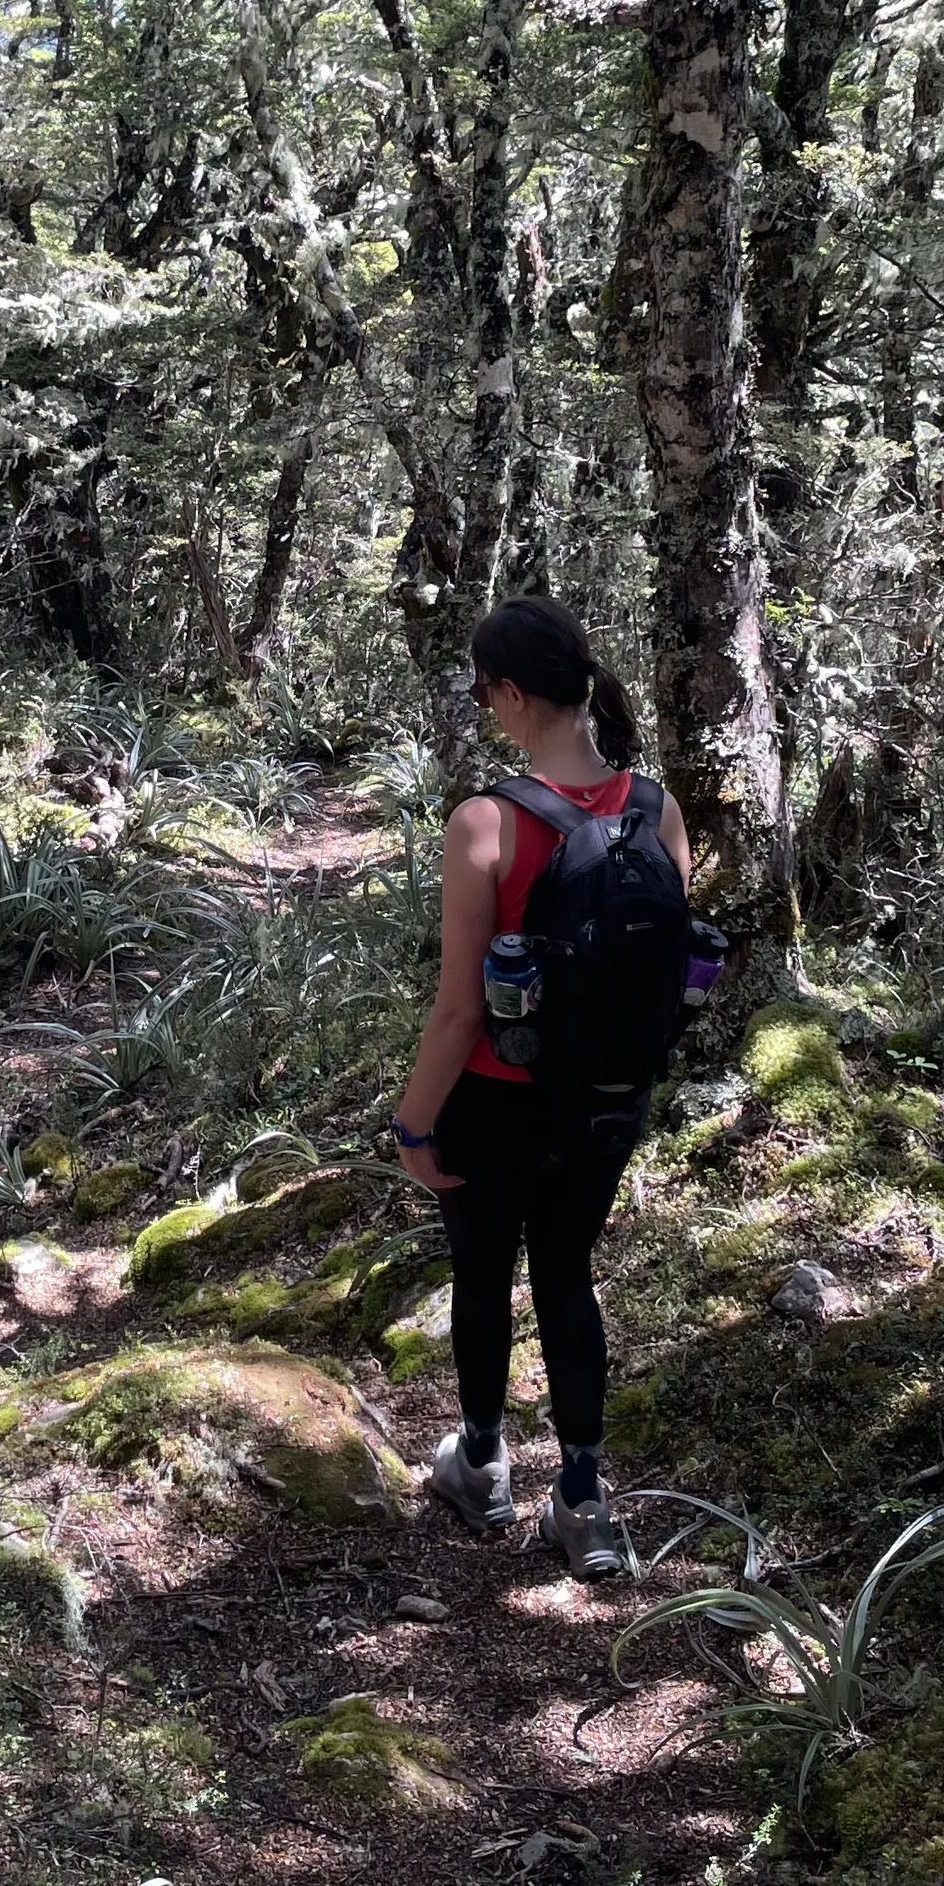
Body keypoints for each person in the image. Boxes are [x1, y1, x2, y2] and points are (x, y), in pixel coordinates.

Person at [388, 597, 692, 1579]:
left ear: (512, 693)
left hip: (494, 1097)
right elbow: (674, 974)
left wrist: (410, 1121)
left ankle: (480, 1462)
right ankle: (583, 1499)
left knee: (482, 1272)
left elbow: (458, 1010)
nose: (484, 702)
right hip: (604, 1096)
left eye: (484, 688)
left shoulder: (486, 821)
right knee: (566, 1275)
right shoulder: (656, 805)